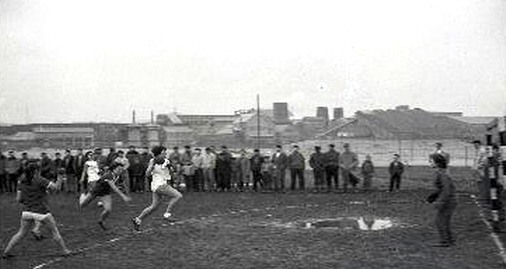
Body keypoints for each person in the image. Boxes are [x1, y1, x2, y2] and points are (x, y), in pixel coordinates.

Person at [2, 161, 71, 259]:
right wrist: (60, 176)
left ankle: (7, 251)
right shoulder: (40, 180)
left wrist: (29, 199)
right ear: (36, 171)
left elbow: (18, 199)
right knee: (54, 231)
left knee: (21, 233)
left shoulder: (22, 180)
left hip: (26, 212)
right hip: (41, 211)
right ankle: (65, 250)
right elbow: (56, 188)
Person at [132, 146, 183, 231]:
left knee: (154, 206)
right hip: (159, 185)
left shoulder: (167, 161)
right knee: (178, 196)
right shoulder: (152, 161)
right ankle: (167, 214)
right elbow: (147, 174)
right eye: (163, 152)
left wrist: (171, 169)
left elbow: (171, 172)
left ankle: (138, 220)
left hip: (159, 185)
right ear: (158, 153)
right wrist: (152, 166)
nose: (165, 153)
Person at [79, 162, 131, 230]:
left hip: (105, 193)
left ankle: (101, 221)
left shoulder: (117, 176)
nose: (120, 171)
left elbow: (117, 184)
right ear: (114, 169)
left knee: (108, 209)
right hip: (96, 191)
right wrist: (123, 196)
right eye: (119, 169)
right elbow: (114, 187)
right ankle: (82, 195)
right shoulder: (108, 175)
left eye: (121, 169)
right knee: (82, 205)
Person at [427, 153, 457, 247]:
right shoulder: (440, 172)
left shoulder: (441, 173)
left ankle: (445, 241)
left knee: (440, 221)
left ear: (437, 163)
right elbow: (441, 188)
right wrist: (433, 196)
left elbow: (446, 189)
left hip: (448, 201)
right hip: (449, 200)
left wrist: (441, 201)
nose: (429, 162)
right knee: (443, 220)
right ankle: (449, 240)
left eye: (431, 161)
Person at [472, 140, 489, 206]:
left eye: (476, 145)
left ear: (479, 144)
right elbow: (476, 159)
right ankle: (480, 195)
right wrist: (474, 167)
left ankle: (483, 196)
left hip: (481, 169)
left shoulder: (482, 150)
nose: (475, 146)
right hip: (477, 169)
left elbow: (484, 160)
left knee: (482, 182)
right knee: (478, 181)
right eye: (474, 145)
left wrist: (480, 166)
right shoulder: (477, 150)